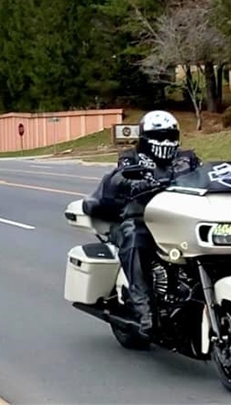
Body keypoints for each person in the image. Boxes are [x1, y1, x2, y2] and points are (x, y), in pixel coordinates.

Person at [91, 110, 201, 338]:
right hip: (138, 217)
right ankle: (145, 308)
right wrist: (133, 183)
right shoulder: (131, 158)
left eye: (171, 135)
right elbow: (119, 177)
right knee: (134, 235)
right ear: (145, 137)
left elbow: (204, 175)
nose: (166, 141)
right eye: (159, 136)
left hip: (178, 218)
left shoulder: (187, 158)